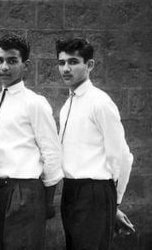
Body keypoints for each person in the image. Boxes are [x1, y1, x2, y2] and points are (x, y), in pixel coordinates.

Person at [0, 34, 63, 250]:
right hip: (1, 191)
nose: (4, 67)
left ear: (25, 65)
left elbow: (51, 152)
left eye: (12, 61)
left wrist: (46, 201)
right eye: (0, 60)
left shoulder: (34, 103)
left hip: (26, 190)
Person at [56, 38, 134, 250]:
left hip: (95, 192)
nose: (66, 68)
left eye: (73, 62)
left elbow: (123, 156)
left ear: (89, 65)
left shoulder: (100, 102)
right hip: (71, 191)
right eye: (61, 63)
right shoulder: (67, 105)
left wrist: (113, 203)